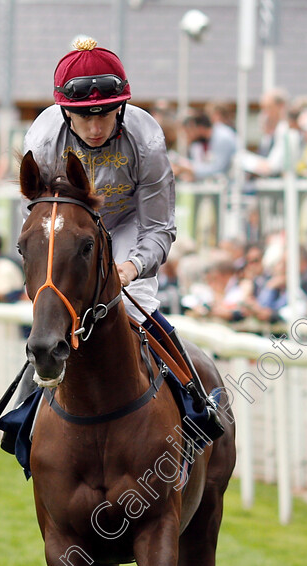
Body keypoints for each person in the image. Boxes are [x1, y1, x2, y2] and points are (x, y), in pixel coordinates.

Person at [20, 37, 221, 428]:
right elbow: (33, 224)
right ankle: (24, 421)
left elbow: (160, 227)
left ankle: (196, 406)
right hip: (68, 230)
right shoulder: (42, 140)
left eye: (107, 115)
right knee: (52, 315)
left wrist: (131, 267)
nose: (95, 128)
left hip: (127, 227)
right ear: (64, 114)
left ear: (122, 107)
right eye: (84, 117)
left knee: (133, 306)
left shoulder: (146, 138)